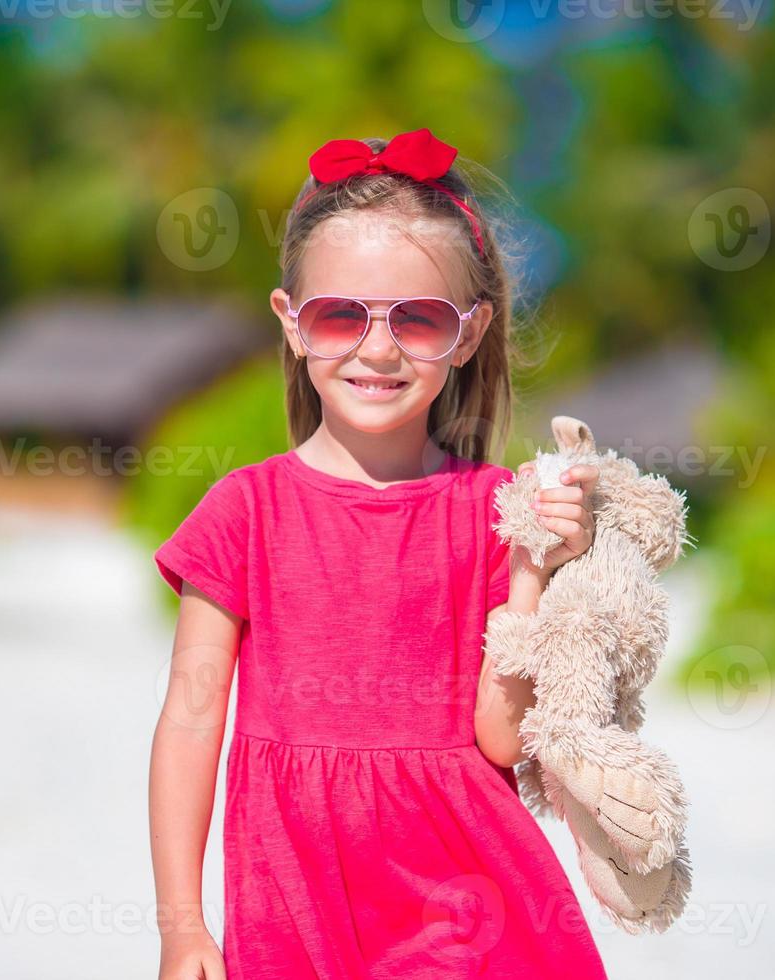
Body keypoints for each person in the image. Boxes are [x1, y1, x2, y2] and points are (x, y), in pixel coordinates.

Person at [149, 128, 605, 979]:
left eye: (420, 319)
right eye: (340, 313)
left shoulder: (496, 512)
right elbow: (190, 720)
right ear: (292, 322)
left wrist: (534, 569)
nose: (380, 347)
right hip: (294, 907)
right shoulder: (244, 511)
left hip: (469, 904)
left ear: (468, 335)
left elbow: (502, 743)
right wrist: (183, 927)